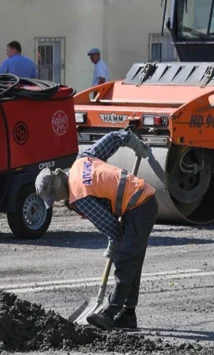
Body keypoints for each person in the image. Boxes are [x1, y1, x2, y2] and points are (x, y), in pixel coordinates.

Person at [34, 128, 157, 331]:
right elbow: (114, 137)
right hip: (142, 200)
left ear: (58, 187)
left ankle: (109, 313)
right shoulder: (82, 160)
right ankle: (127, 314)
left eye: (55, 197)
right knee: (132, 259)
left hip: (138, 206)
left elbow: (112, 228)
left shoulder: (79, 196)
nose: (58, 201)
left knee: (126, 259)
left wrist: (114, 246)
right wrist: (133, 142)